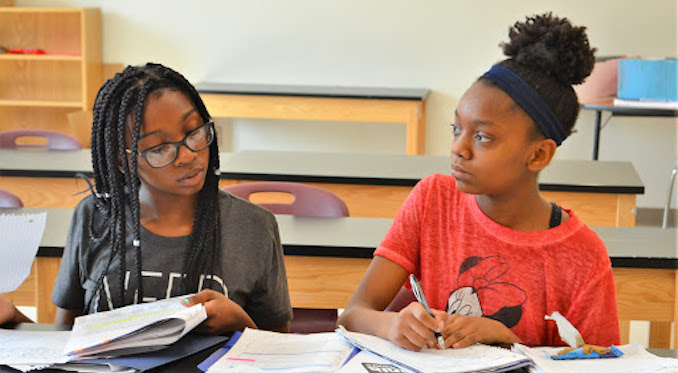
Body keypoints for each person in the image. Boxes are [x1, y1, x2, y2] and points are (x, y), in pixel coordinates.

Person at [338, 13, 620, 350]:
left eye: (483, 137)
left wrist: (506, 338)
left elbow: (599, 369)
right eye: (457, 129)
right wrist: (391, 325)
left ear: (539, 156)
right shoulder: (433, 199)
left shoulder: (583, 256)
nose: (459, 148)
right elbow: (353, 315)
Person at [1, 63, 293, 333]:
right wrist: (13, 318)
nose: (188, 154)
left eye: (194, 132)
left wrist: (241, 323)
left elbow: (279, 353)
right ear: (121, 161)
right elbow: (66, 341)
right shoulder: (94, 216)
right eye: (160, 148)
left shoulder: (253, 226)